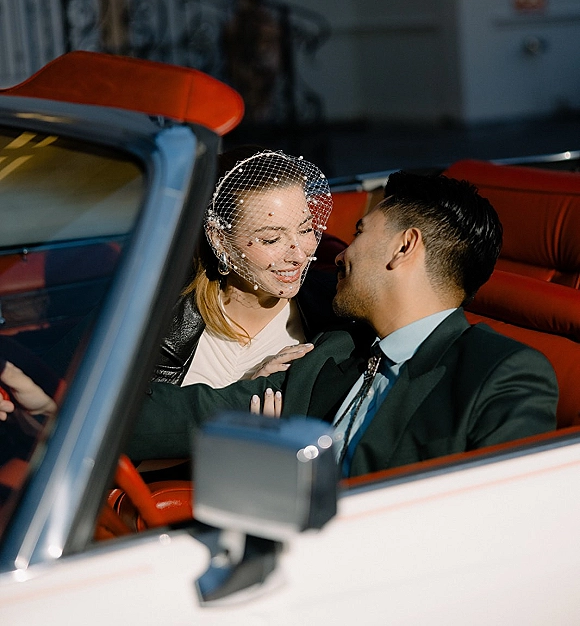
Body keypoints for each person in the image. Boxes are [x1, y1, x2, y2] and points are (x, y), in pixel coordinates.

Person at [127, 171, 558, 477]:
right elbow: (175, 416)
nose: (337, 254)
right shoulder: (330, 352)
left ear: (404, 247)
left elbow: (507, 520)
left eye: (358, 233)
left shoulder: (501, 373)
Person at [152, 147, 341, 388]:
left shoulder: (333, 311)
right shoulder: (157, 316)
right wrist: (244, 395)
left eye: (305, 229)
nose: (300, 253)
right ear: (220, 240)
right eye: (272, 239)